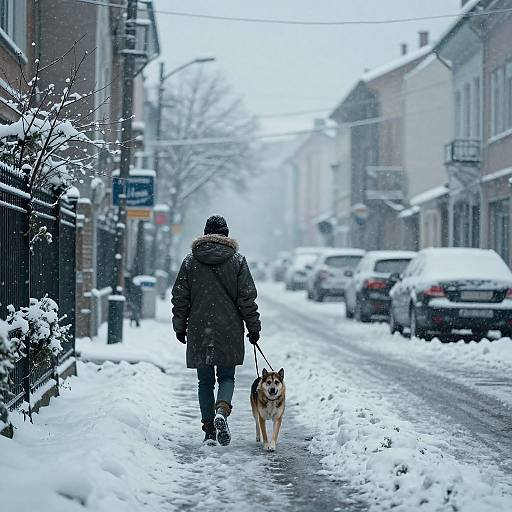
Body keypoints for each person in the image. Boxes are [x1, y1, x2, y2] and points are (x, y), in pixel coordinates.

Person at [171, 215, 261, 446]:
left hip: (199, 328)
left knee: (204, 382)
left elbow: (180, 297)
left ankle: (209, 428)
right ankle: (222, 409)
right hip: (229, 328)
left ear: (205, 234)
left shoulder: (191, 261)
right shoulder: (238, 261)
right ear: (226, 235)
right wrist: (253, 327)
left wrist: (180, 326)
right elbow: (247, 299)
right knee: (227, 377)